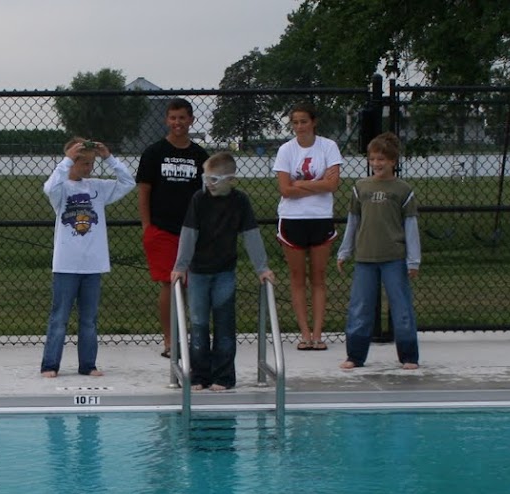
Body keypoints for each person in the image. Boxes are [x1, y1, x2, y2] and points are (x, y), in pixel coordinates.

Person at [170, 152, 276, 391]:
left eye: (214, 179)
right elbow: (189, 234)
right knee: (198, 325)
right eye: (206, 178)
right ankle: (198, 376)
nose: (209, 184)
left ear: (231, 180)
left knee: (225, 324)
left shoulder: (240, 201)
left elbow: (251, 234)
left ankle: (224, 377)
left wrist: (262, 268)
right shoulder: (199, 199)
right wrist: (181, 266)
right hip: (198, 272)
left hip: (224, 271)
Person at [40, 138, 136, 378]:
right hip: (66, 264)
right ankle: (50, 364)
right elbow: (48, 188)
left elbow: (128, 182)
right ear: (72, 161)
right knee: (59, 317)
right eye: (83, 162)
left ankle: (88, 364)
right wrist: (66, 161)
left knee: (89, 319)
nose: (88, 167)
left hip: (93, 264)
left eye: (91, 162)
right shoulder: (61, 189)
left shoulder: (98, 188)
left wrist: (109, 158)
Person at [336, 132, 421, 370]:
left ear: (393, 161)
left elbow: (411, 226)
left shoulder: (403, 190)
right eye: (373, 159)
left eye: (381, 159)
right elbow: (353, 222)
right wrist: (345, 252)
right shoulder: (360, 188)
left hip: (394, 257)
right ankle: (355, 355)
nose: (376, 164)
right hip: (365, 257)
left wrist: (413, 261)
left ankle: (409, 355)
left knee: (401, 307)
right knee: (360, 307)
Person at [137, 98, 210, 358]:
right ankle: (170, 340)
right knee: (171, 284)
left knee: (193, 285)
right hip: (162, 229)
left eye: (182, 118)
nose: (177, 123)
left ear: (191, 120)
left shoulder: (200, 155)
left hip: (192, 230)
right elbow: (144, 191)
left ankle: (192, 336)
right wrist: (147, 226)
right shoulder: (154, 152)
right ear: (166, 120)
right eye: (172, 118)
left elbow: (207, 193)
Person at [273, 102, 343, 351]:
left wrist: (300, 185)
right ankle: (304, 333)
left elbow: (333, 185)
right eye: (295, 122)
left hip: (320, 217)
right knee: (297, 278)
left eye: (304, 121)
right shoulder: (286, 150)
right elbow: (284, 190)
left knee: (319, 277)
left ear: (313, 122)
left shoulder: (328, 147)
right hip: (293, 220)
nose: (300, 127)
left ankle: (317, 333)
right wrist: (317, 183)